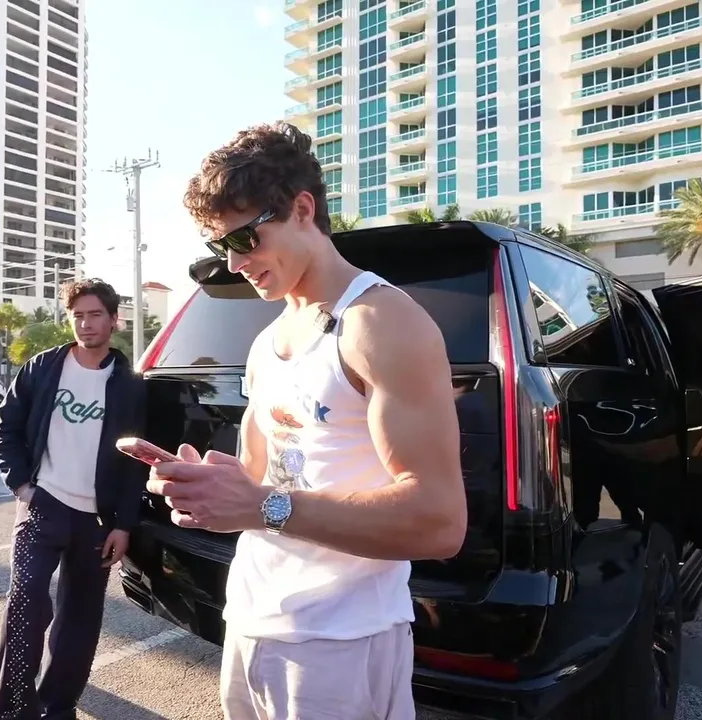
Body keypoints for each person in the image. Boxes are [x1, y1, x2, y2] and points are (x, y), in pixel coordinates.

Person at [146, 122, 468, 719]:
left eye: (244, 237)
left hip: (342, 639)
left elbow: (439, 522)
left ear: (301, 209)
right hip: (251, 616)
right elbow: (260, 480)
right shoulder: (267, 341)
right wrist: (205, 486)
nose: (235, 262)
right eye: (221, 247)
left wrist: (264, 506)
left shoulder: (380, 323)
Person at [0, 278, 147, 720]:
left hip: (97, 520)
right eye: (78, 315)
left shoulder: (129, 384)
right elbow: (6, 429)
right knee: (25, 603)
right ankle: (13, 711)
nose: (85, 323)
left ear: (114, 320)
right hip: (43, 506)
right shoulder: (43, 367)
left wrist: (123, 524)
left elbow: (135, 461)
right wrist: (22, 486)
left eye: (95, 314)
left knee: (80, 619)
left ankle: (58, 708)